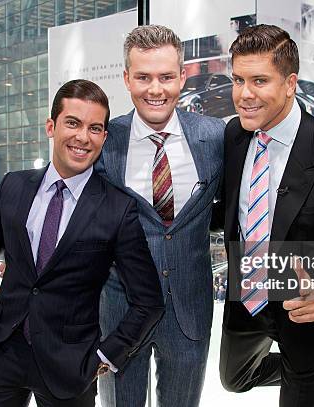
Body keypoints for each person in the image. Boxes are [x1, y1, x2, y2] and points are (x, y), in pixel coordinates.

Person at [0, 79, 164, 407]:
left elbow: (149, 301)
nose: (83, 137)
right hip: (0, 356)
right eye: (73, 123)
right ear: (51, 126)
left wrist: (107, 355)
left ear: (104, 137)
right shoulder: (13, 186)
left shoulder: (117, 208)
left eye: (95, 128)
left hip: (71, 367)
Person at [218, 25, 314, 406]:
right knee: (233, 380)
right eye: (238, 80)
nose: (244, 94)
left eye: (259, 80)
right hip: (248, 296)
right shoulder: (235, 136)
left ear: (290, 83)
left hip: (306, 310)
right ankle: (303, 367)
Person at [94, 25, 225, 407]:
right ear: (126, 79)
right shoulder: (104, 140)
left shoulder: (215, 137)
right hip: (119, 310)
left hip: (189, 309)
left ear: (182, 76)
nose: (156, 89)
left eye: (167, 76)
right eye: (143, 77)